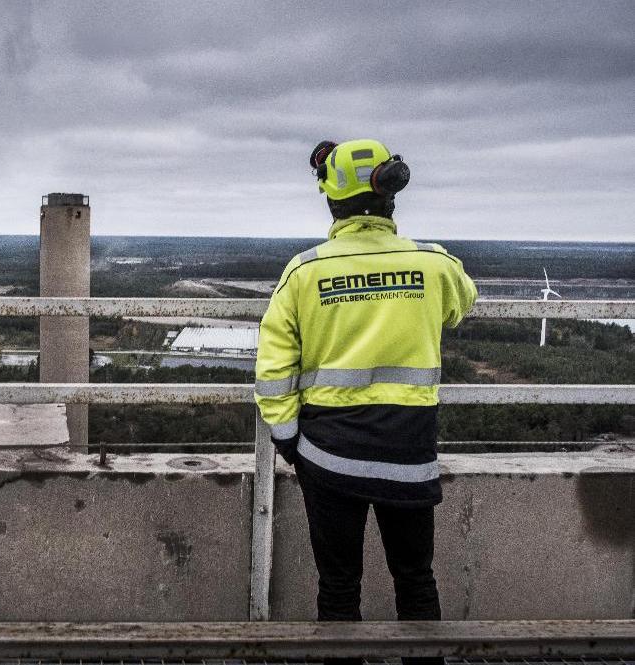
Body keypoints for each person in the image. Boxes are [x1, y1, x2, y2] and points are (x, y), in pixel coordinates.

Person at [254, 139, 477, 665]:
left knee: (338, 588)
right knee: (416, 580)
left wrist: (287, 440)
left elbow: (273, 369)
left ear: (331, 199)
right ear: (391, 194)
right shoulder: (434, 263)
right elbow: (461, 304)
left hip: (328, 456)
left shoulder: (303, 272)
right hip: (408, 453)